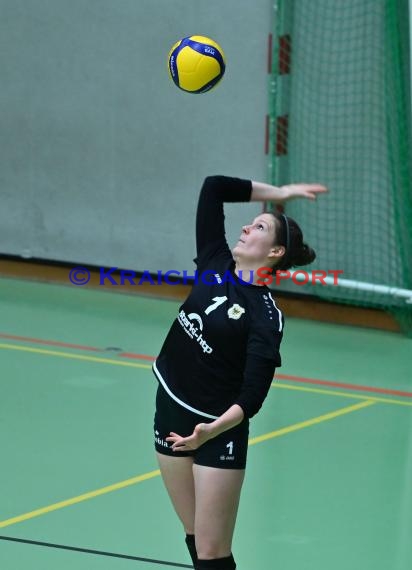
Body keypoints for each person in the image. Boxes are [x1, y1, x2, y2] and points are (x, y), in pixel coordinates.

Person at [152, 175, 327, 569]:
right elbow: (214, 188)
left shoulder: (266, 318)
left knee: (214, 552)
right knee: (196, 540)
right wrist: (279, 195)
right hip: (171, 410)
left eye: (260, 227)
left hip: (218, 430)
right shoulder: (215, 262)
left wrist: (211, 430)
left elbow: (252, 396)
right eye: (252, 222)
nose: (247, 227)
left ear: (275, 251)